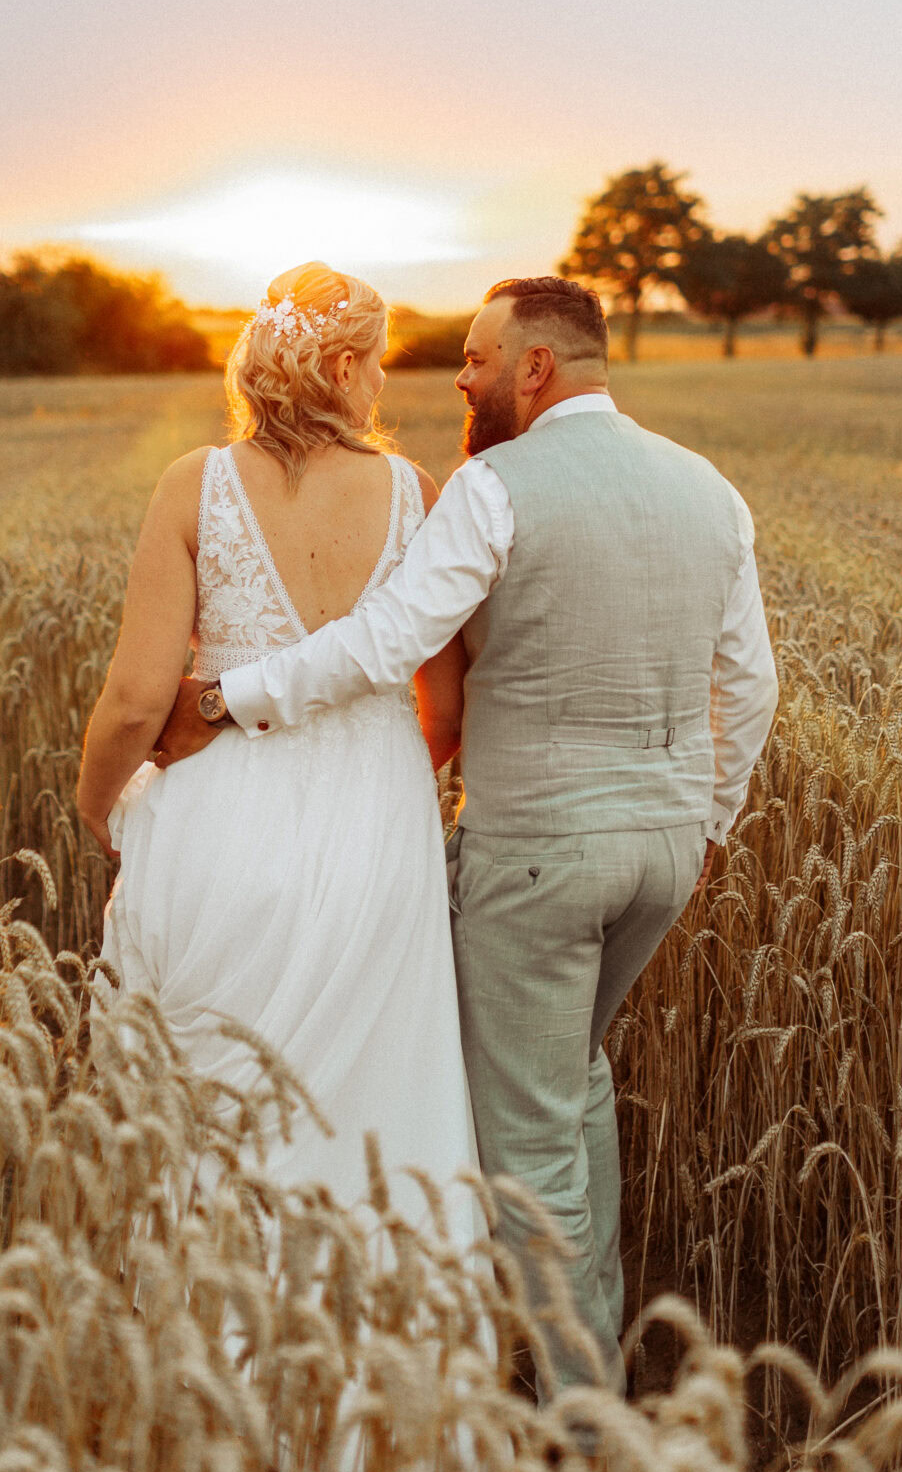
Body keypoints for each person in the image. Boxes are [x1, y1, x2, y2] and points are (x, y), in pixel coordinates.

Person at [155, 274, 778, 1393]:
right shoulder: (710, 489)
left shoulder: (493, 488)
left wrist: (225, 698)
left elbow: (388, 638)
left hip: (539, 852)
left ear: (535, 368)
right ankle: (600, 1365)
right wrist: (711, 817)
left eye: (480, 358)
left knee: (530, 1137)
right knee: (574, 1077)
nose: (462, 376)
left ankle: (584, 1420)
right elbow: (755, 684)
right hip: (666, 851)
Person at [75, 260, 482, 1240]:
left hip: (215, 822)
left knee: (206, 1121)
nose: (382, 383)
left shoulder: (192, 485)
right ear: (342, 368)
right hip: (378, 833)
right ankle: (381, 1357)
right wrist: (370, 776)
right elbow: (447, 700)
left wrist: (99, 804)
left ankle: (207, 1352)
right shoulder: (411, 490)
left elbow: (137, 696)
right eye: (376, 364)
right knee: (376, 1112)